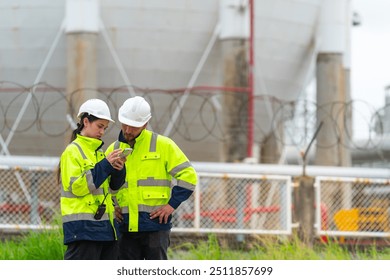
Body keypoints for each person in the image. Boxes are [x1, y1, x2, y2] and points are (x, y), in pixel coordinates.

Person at [107, 96, 198, 260]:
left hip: (155, 226)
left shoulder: (163, 145)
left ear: (145, 124)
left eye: (133, 126)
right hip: (125, 226)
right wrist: (112, 207)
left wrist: (171, 205)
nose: (127, 130)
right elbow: (104, 185)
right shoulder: (113, 149)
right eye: (125, 124)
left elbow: (188, 176)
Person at [58, 98, 126, 260]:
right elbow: (78, 187)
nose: (102, 132)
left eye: (105, 128)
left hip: (105, 229)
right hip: (83, 229)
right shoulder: (72, 152)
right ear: (86, 122)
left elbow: (111, 189)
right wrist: (105, 165)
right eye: (100, 126)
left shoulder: (99, 153)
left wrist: (118, 170)